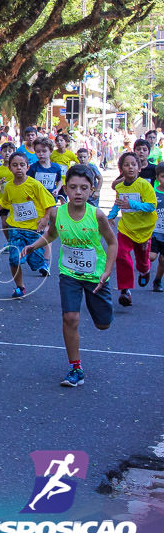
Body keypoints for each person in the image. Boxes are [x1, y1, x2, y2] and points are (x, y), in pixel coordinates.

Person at [21, 165, 116, 387]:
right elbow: (52, 233)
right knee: (70, 318)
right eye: (73, 187)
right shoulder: (57, 212)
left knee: (103, 324)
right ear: (65, 188)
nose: (78, 192)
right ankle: (75, 368)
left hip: (96, 276)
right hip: (69, 274)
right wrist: (34, 246)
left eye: (84, 188)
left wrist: (107, 270)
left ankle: (104, 314)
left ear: (92, 190)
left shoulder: (97, 215)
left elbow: (112, 242)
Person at [0, 151, 55, 298]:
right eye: (15, 165)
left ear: (27, 167)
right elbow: (4, 202)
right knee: (14, 258)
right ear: (10, 168)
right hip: (16, 229)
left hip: (33, 230)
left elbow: (50, 204)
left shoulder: (35, 185)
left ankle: (43, 262)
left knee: (35, 262)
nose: (18, 168)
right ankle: (20, 287)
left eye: (22, 165)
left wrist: (45, 219)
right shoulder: (8, 187)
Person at [107, 151, 157, 306]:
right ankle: (125, 290)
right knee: (121, 255)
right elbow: (118, 202)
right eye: (126, 165)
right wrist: (111, 216)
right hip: (126, 228)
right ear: (121, 169)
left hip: (143, 230)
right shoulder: (120, 186)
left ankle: (145, 270)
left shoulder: (144, 185)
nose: (130, 167)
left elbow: (151, 206)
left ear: (139, 168)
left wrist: (132, 204)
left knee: (142, 260)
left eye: (133, 164)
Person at [0, 142, 17, 246]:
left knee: (15, 224)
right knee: (5, 224)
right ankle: (9, 242)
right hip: (3, 201)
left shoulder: (17, 167)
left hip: (15, 200)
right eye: (5, 151)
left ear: (14, 152)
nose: (7, 153)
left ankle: (15, 242)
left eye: (10, 151)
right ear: (1, 153)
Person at [28, 137, 65, 203]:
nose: (41, 154)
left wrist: (57, 189)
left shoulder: (56, 167)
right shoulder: (33, 168)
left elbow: (59, 180)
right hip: (37, 202)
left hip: (51, 200)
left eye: (44, 151)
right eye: (38, 151)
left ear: (50, 151)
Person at [150, 164, 164, 292]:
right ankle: (144, 270)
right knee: (151, 257)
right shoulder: (154, 193)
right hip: (154, 232)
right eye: (163, 177)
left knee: (163, 260)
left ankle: (158, 280)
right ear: (158, 178)